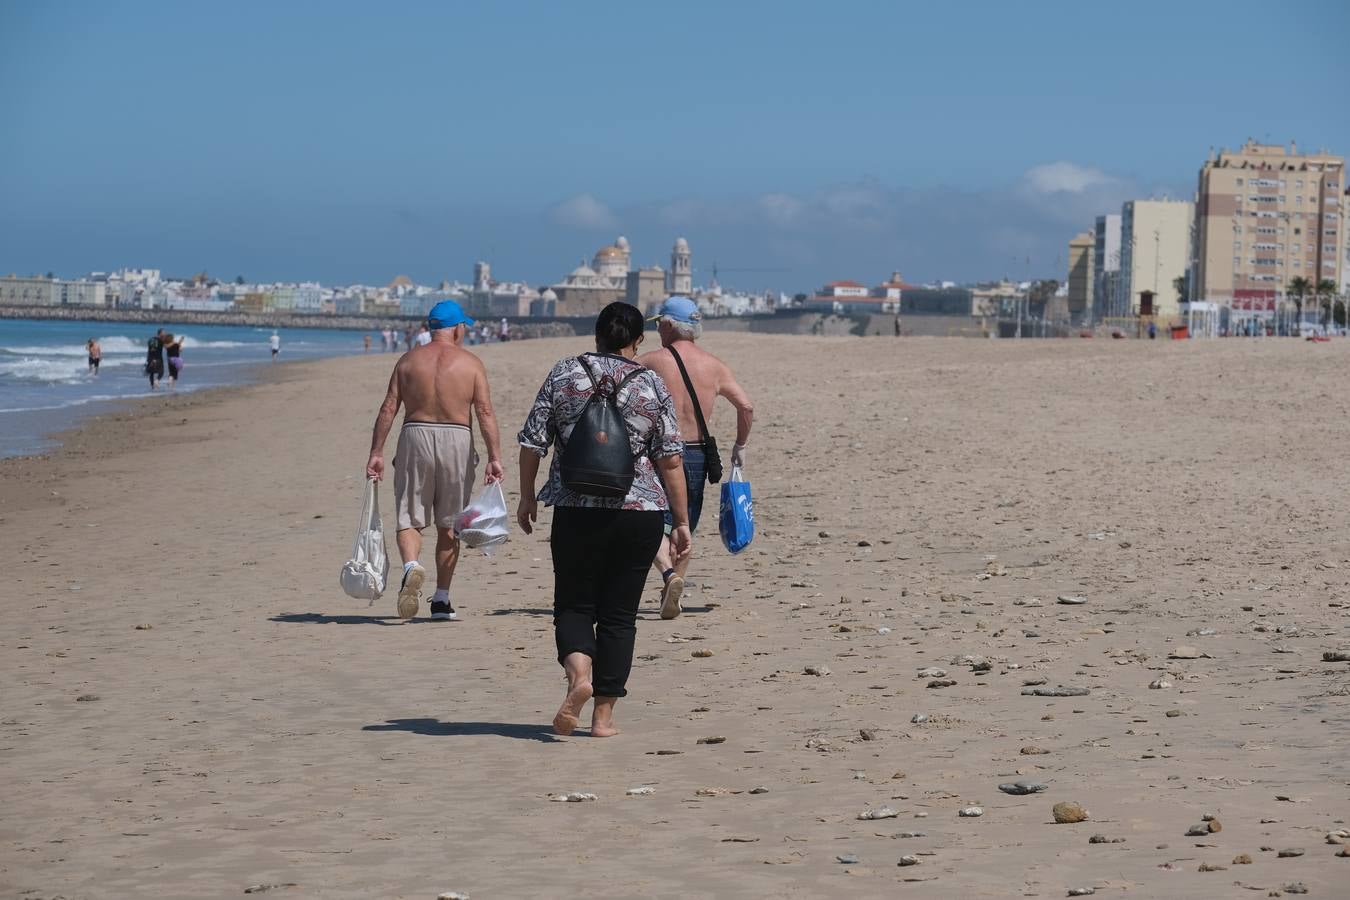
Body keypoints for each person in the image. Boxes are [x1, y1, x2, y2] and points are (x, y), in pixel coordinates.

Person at [517, 302, 691, 737]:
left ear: (596, 335)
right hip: (640, 514)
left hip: (575, 508)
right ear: (638, 341)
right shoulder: (652, 383)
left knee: (574, 603)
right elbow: (670, 460)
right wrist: (682, 520)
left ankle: (579, 678)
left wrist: (526, 497)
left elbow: (533, 442)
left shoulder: (564, 373)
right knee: (619, 615)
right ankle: (603, 719)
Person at [366, 300, 504, 622]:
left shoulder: (408, 361)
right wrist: (494, 457)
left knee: (409, 516)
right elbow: (484, 412)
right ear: (456, 328)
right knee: (450, 524)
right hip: (458, 436)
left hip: (415, 433)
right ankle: (441, 601)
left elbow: (389, 408)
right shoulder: (471, 364)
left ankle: (413, 566)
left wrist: (376, 452)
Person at [638, 296, 755, 620]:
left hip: (658, 451)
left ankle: (667, 576)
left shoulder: (650, 362)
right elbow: (746, 406)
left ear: (667, 325)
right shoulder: (714, 365)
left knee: (649, 522)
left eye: (660, 324)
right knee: (684, 523)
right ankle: (673, 585)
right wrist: (739, 446)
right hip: (696, 455)